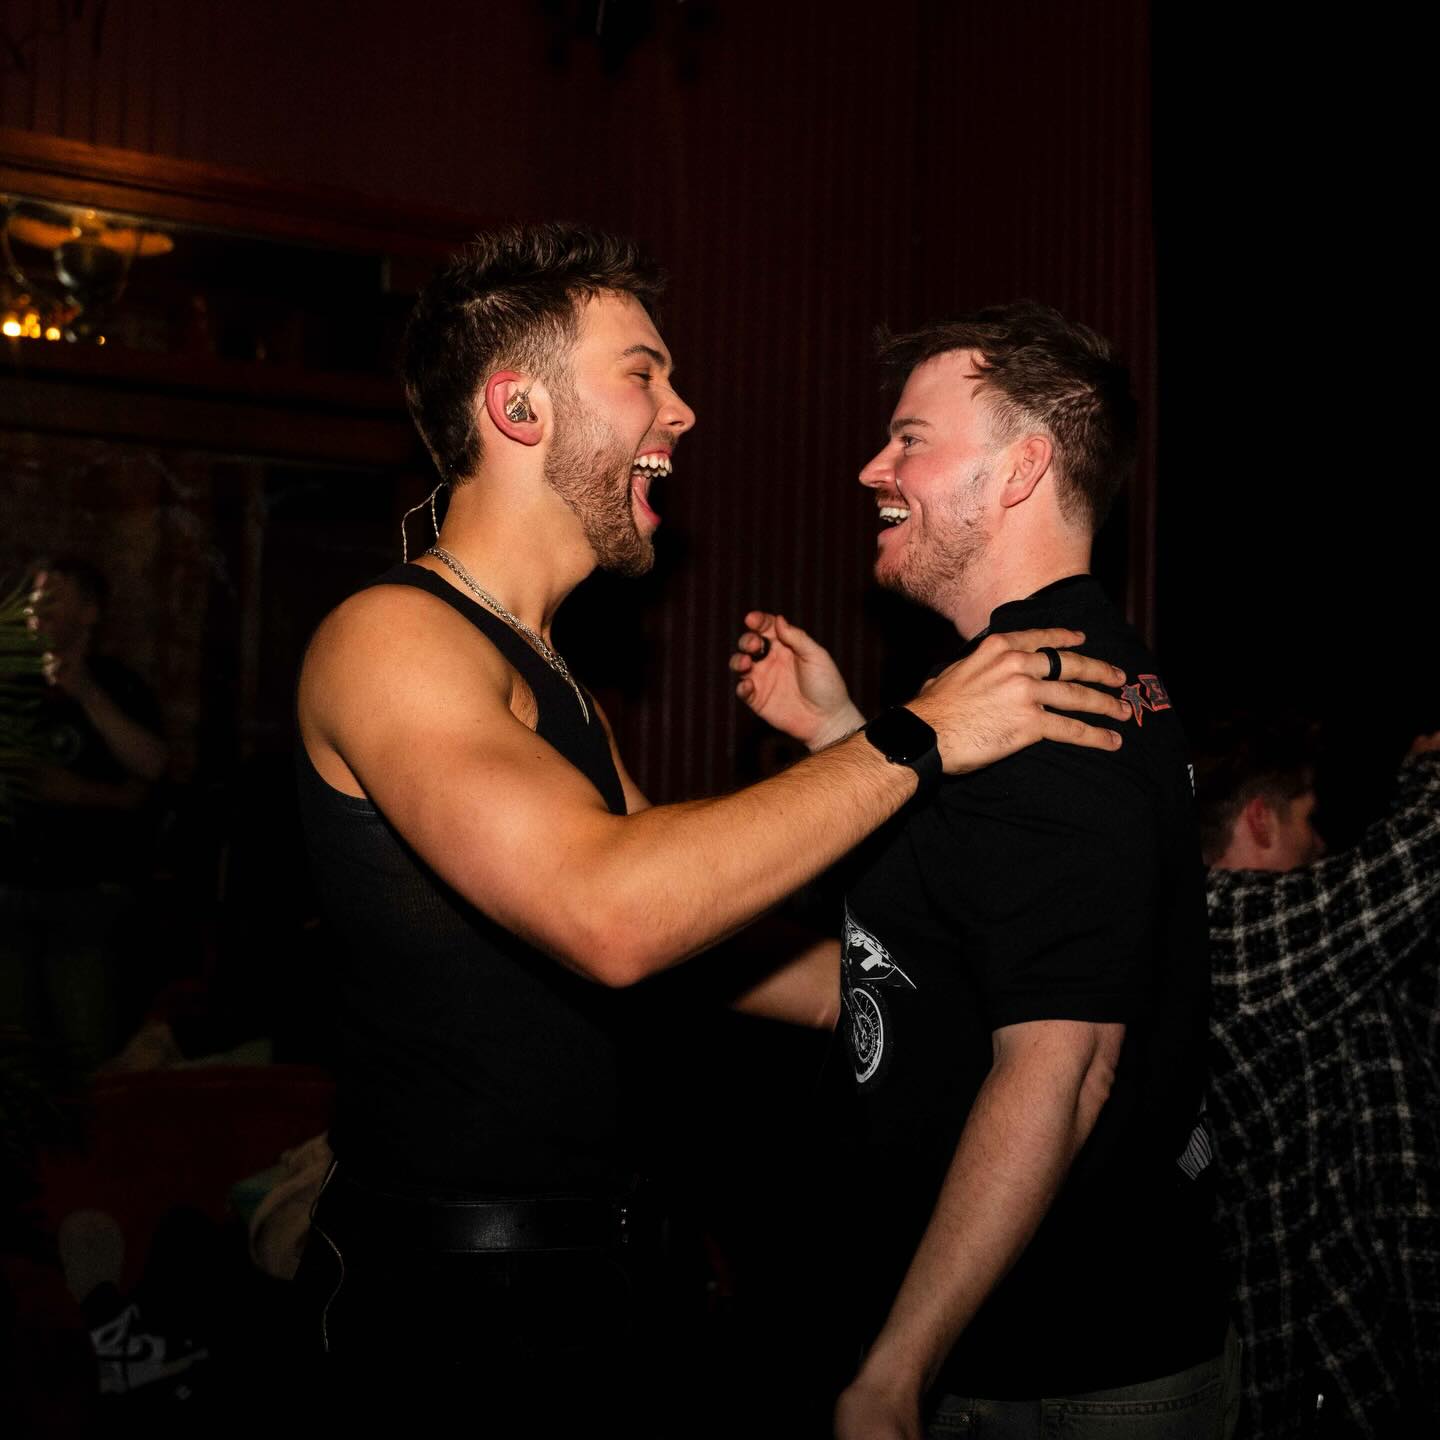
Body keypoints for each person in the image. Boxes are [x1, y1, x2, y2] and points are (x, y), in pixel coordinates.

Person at [290, 227, 1129, 1424]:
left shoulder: (544, 671)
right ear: (519, 407)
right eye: (643, 372)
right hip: (457, 1313)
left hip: (594, 1276)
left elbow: (695, 931)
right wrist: (921, 734)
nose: (681, 411)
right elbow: (615, 914)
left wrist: (924, 991)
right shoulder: (392, 638)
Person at [730, 303, 1232, 1438]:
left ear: (1021, 469)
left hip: (1055, 1378)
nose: (874, 468)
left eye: (910, 438)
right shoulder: (1012, 689)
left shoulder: (1056, 709)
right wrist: (839, 735)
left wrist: (896, 1372)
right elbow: (918, 961)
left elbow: (1064, 1069)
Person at [1196, 719, 1440, 1438]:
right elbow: (1401, 873)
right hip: (1301, 1366)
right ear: (1260, 820)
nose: (1323, 847)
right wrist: (1430, 771)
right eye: (1308, 820)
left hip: (1366, 1351)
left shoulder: (1306, 951)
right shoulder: (1218, 930)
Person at [0, 558, 167, 1085]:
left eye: (53, 598)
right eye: (33, 598)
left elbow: (154, 768)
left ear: (89, 612)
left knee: (87, 1054)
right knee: (13, 1058)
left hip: (86, 899)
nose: (37, 610)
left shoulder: (118, 686)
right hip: (9, 892)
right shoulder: (13, 685)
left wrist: (87, 697)